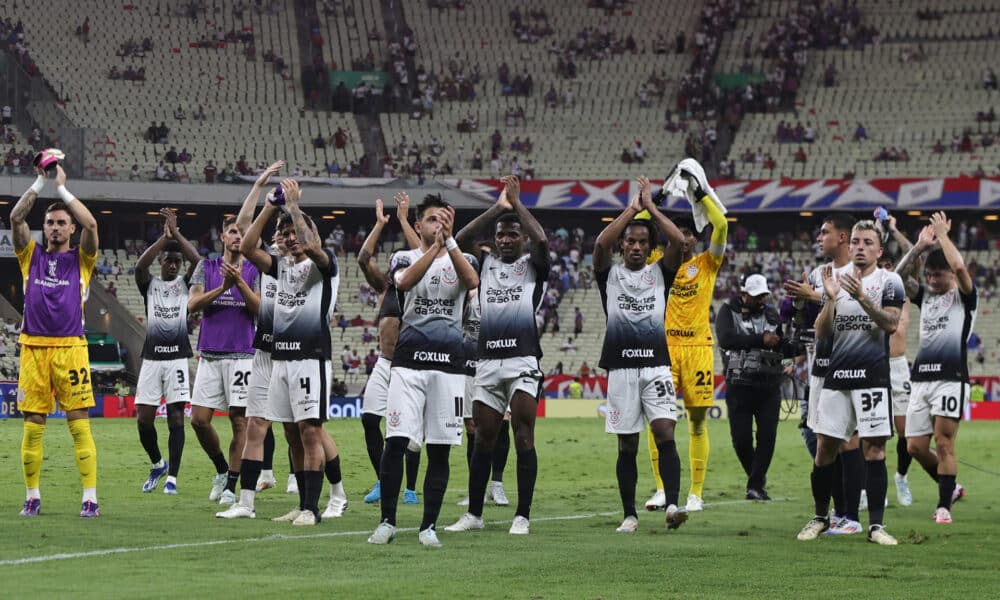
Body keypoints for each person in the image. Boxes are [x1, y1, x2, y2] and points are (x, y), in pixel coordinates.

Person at [219, 179, 347, 525]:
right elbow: (246, 247)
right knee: (291, 432)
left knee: (310, 431)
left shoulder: (324, 265)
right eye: (285, 234)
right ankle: (303, 503)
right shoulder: (281, 267)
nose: (290, 238)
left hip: (310, 358)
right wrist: (272, 205)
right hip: (280, 360)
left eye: (295, 233)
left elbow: (311, 244)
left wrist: (292, 207)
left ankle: (313, 508)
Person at [368, 194, 479, 547]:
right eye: (432, 220)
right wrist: (434, 248)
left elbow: (472, 280)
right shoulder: (406, 257)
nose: (438, 226)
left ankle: (428, 526)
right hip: (408, 364)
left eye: (443, 220)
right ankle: (387, 521)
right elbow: (403, 283)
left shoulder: (465, 258)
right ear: (419, 226)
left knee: (441, 449)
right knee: (396, 441)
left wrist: (450, 243)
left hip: (449, 368)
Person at [446, 175, 549, 535]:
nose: (506, 240)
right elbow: (456, 241)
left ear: (521, 239)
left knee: (523, 436)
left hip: (522, 362)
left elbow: (543, 240)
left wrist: (517, 205)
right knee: (483, 440)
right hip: (487, 362)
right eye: (501, 234)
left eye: (512, 234)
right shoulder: (483, 265)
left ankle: (522, 515)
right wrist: (498, 208)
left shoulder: (534, 266)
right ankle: (474, 514)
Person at [797, 220, 905, 545]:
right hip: (837, 376)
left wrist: (862, 298)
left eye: (867, 242)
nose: (860, 246)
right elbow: (822, 332)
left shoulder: (890, 280)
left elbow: (890, 323)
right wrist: (829, 299)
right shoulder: (836, 281)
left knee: (874, 450)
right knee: (824, 449)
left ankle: (875, 527)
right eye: (856, 241)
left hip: (872, 377)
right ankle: (820, 517)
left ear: (879, 250)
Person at [591, 176, 687, 533]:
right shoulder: (609, 274)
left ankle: (674, 505)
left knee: (665, 433)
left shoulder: (661, 273)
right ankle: (629, 513)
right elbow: (601, 243)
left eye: (642, 242)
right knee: (627, 445)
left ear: (650, 248)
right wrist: (632, 208)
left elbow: (678, 240)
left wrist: (651, 209)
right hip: (621, 369)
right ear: (623, 246)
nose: (634, 246)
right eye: (630, 241)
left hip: (657, 367)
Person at [11, 162, 101, 517]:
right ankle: (32, 495)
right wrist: (39, 183)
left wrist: (62, 188)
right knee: (33, 426)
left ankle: (90, 497)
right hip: (33, 348)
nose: (55, 227)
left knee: (79, 422)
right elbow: (17, 220)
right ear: (44, 228)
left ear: (71, 229)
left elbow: (93, 224)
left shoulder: (83, 259)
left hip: (70, 349)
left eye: (62, 222)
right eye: (50, 222)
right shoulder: (29, 255)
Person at [645, 158, 728, 513]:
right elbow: (638, 228)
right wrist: (657, 199)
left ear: (694, 238)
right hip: (663, 349)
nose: (685, 239)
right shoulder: (654, 262)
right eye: (677, 234)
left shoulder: (707, 265)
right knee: (658, 422)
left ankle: (695, 493)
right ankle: (663, 489)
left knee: (695, 422)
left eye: (690, 234)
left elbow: (721, 225)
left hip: (697, 349)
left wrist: (701, 192)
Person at [784, 213, 865, 535]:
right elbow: (802, 319)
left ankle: (850, 515)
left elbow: (853, 306)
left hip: (849, 363)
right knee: (824, 443)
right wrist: (799, 302)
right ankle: (828, 514)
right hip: (820, 365)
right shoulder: (820, 272)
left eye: (825, 232)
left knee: (849, 440)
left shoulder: (857, 272)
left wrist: (813, 295)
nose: (819, 238)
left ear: (843, 237)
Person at [895, 212, 975, 523]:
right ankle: (951, 487)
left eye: (936, 275)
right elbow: (896, 281)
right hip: (921, 380)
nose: (931, 280)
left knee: (943, 444)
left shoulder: (964, 297)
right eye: (929, 275)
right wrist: (917, 248)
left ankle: (943, 506)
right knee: (914, 447)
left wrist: (942, 236)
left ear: (950, 278)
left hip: (950, 378)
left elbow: (959, 266)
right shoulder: (925, 297)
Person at [187, 213, 261, 506]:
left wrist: (239, 283)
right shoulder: (205, 267)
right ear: (223, 237)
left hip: (243, 354)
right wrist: (223, 287)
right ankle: (221, 469)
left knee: (239, 422)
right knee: (198, 421)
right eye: (232, 231)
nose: (238, 236)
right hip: (211, 354)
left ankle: (231, 484)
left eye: (242, 232)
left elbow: (260, 309)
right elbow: (192, 304)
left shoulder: (255, 269)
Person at [357, 193, 422, 506]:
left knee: (408, 434)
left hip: (410, 366)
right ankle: (384, 481)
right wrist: (380, 225)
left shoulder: (417, 291)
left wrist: (404, 221)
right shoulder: (384, 290)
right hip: (384, 364)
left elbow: (423, 253)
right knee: (370, 421)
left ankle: (409, 488)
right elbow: (362, 259)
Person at [134, 208, 201, 495]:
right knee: (144, 419)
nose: (173, 265)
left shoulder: (186, 285)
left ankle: (172, 477)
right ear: (161, 261)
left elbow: (197, 261)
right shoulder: (149, 285)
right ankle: (158, 463)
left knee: (175, 418)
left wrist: (177, 235)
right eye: (168, 260)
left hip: (176, 359)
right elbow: (139, 265)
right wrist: (164, 240)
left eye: (176, 261)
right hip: (151, 358)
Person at [716, 274, 796, 501]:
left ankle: (755, 485)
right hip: (738, 384)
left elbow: (779, 343)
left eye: (764, 295)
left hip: (769, 384)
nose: (762, 300)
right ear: (744, 294)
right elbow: (726, 339)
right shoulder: (727, 311)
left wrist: (794, 348)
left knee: (767, 436)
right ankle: (756, 479)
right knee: (740, 439)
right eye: (756, 296)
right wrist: (761, 339)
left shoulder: (772, 313)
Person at [883, 213, 919, 507]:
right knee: (870, 432)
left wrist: (894, 230)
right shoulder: (871, 288)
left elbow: (916, 254)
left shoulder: (904, 291)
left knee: (907, 433)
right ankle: (867, 489)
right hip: (872, 362)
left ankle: (901, 477)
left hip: (898, 366)